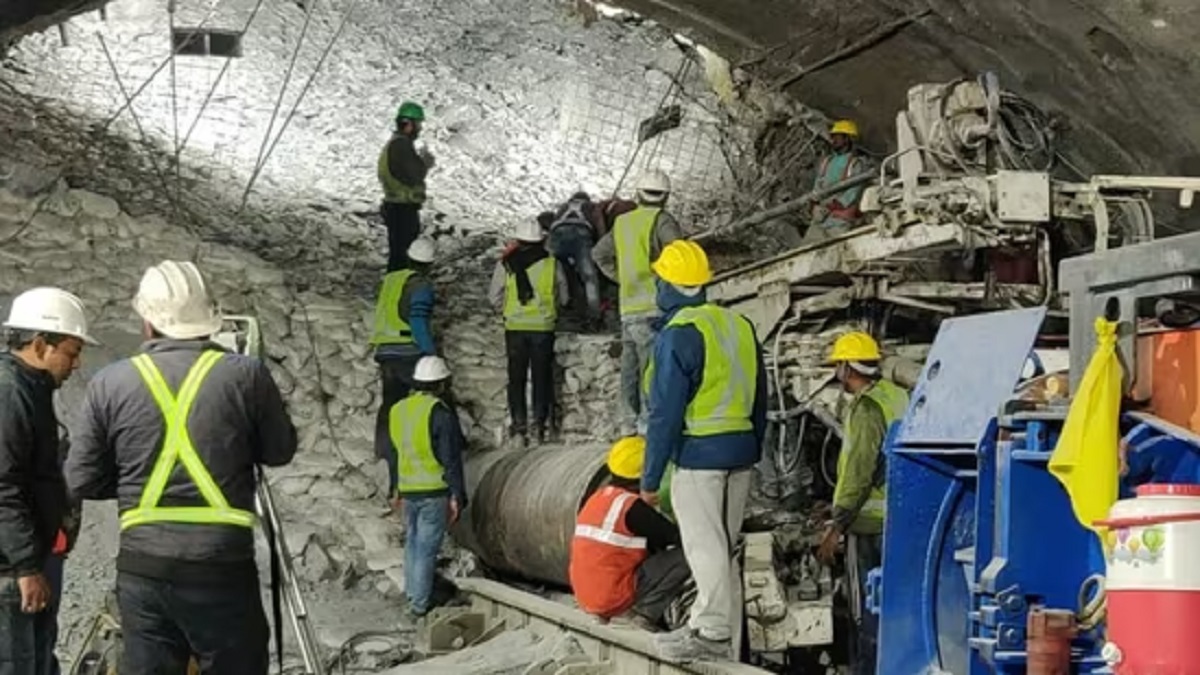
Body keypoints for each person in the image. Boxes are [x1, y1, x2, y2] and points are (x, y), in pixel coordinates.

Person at [66, 260, 297, 673]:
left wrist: (133, 476)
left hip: (144, 567)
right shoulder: (246, 375)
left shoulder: (110, 382)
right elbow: (279, 451)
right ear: (210, 321)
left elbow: (81, 478)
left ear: (147, 322)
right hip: (220, 563)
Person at [639, 239, 768, 663]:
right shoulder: (740, 326)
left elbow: (664, 415)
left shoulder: (679, 335)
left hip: (699, 455)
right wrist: (752, 448)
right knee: (723, 545)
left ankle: (710, 632)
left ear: (668, 286)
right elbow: (761, 399)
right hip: (741, 452)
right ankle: (720, 635)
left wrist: (650, 478)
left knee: (704, 544)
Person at [0, 287, 95, 675]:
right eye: (71, 352)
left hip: (29, 563)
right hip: (10, 574)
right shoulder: (9, 394)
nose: (76, 364)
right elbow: (3, 487)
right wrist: (25, 567)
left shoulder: (29, 390)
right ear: (40, 345)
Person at [817, 331, 909, 675]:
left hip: (869, 527)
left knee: (866, 609)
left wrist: (836, 527)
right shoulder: (896, 394)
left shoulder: (866, 408)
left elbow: (858, 471)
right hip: (899, 518)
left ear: (845, 368)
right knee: (894, 604)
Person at [591, 170, 683, 436]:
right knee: (651, 368)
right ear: (665, 196)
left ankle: (627, 423)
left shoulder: (622, 223)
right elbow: (679, 254)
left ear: (638, 193)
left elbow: (599, 254)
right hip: (654, 305)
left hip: (628, 307)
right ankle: (647, 425)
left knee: (629, 369)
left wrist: (623, 277)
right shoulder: (662, 220)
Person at [569, 436, 691, 631]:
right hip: (613, 596)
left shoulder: (596, 498)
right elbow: (675, 537)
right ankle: (644, 614)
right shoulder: (632, 507)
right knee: (690, 554)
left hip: (586, 596)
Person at [385, 355, 468, 619]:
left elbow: (395, 453)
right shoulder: (439, 413)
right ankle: (419, 606)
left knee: (412, 545)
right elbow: (450, 458)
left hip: (408, 490)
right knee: (426, 549)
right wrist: (457, 495)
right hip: (434, 491)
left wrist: (396, 489)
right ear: (442, 384)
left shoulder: (398, 410)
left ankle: (412, 595)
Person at [488, 221, 570, 446]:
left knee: (516, 379)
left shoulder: (506, 264)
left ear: (518, 241)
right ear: (542, 241)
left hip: (515, 328)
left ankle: (519, 427)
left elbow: (494, 297)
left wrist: (509, 309)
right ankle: (539, 427)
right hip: (543, 328)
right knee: (542, 378)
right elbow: (564, 297)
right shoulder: (552, 264)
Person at [371, 236, 438, 459]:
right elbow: (417, 320)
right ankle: (429, 446)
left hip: (385, 350)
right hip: (408, 351)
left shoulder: (391, 279)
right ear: (429, 265)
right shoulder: (420, 285)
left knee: (390, 403)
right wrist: (430, 354)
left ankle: (384, 450)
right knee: (427, 400)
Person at [379, 101, 435, 271]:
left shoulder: (395, 143)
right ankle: (401, 286)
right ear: (409, 124)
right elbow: (414, 175)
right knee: (402, 258)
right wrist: (425, 162)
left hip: (396, 207)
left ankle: (393, 285)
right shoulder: (401, 145)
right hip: (402, 210)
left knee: (397, 255)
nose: (420, 128)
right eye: (418, 124)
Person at [805, 119, 868, 244]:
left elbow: (854, 190)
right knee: (805, 249)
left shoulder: (856, 163)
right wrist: (814, 204)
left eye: (837, 137)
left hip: (840, 220)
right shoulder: (827, 161)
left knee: (837, 249)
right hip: (820, 219)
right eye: (832, 136)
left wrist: (836, 204)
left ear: (847, 138)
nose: (833, 140)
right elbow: (818, 185)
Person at [546, 192, 602, 316]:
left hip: (558, 234)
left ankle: (561, 305)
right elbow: (600, 226)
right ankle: (594, 313)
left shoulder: (563, 207)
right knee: (589, 277)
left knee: (553, 271)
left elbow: (551, 226)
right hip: (581, 233)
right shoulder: (590, 206)